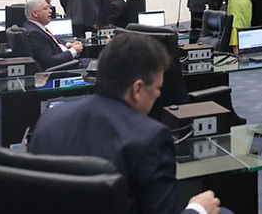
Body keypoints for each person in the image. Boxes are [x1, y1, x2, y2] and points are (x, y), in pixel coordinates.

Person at [29, 33, 227, 214]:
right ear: (137, 89)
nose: (158, 95)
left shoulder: (49, 119)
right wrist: (198, 209)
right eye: (157, 89)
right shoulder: (150, 137)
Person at [22, 0, 87, 69]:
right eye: (45, 8)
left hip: (68, 61)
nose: (50, 11)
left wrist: (69, 44)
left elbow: (53, 38)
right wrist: (73, 50)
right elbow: (50, 61)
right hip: (67, 66)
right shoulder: (34, 33)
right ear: (35, 13)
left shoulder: (33, 26)